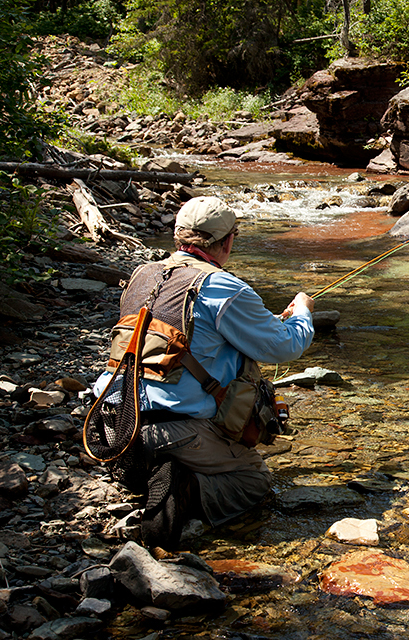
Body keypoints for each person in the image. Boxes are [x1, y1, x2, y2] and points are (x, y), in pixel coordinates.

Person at [92, 196, 315, 548]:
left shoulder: (142, 276)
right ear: (226, 241)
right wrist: (302, 311)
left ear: (179, 236)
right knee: (254, 482)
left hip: (115, 422)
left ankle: (143, 470)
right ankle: (186, 487)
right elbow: (284, 347)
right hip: (176, 431)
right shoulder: (224, 287)